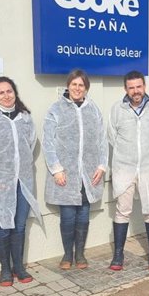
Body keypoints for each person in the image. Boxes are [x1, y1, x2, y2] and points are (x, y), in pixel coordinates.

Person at [0, 77, 43, 287]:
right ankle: (5, 269)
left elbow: (30, 145)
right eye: (1, 93)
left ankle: (19, 267)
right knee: (2, 227)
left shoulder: (25, 118)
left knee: (19, 226)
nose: (6, 96)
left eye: (9, 91)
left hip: (22, 181)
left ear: (15, 92)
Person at [42, 69, 107, 270]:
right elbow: (48, 142)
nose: (77, 88)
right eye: (74, 84)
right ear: (68, 86)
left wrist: (102, 165)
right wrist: (56, 169)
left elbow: (102, 140)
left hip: (88, 173)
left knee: (83, 216)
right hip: (66, 173)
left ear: (86, 88)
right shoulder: (56, 109)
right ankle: (67, 254)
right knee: (68, 216)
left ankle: (80, 253)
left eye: (81, 85)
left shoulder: (93, 110)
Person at [107, 70, 149, 271]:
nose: (135, 91)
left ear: (144, 87)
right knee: (122, 211)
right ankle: (118, 255)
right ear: (126, 89)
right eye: (131, 88)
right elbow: (112, 137)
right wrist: (127, 155)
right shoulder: (117, 109)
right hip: (124, 168)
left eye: (139, 86)